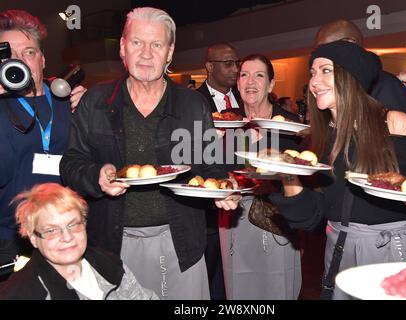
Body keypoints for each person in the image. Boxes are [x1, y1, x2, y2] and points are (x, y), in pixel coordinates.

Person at [60, 7, 239, 300]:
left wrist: (223, 189)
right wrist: (97, 176)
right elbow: (71, 164)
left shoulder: (192, 105)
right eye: (136, 43)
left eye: (156, 45)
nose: (146, 53)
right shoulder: (96, 101)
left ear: (169, 53)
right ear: (122, 48)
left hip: (179, 242)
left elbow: (211, 168)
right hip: (112, 244)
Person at [269, 41, 406, 299]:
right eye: (312, 73)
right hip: (339, 250)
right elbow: (311, 216)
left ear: (350, 76)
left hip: (392, 250)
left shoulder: (393, 122)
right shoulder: (319, 137)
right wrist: (287, 173)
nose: (314, 82)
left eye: (325, 71)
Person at [0, 10, 85, 280]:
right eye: (9, 53)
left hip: (64, 231)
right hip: (10, 235)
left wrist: (88, 110)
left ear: (43, 59)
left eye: (29, 52)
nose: (19, 60)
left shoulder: (66, 98)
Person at [218, 54, 302, 300]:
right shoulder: (226, 121)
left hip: (275, 217)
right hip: (233, 214)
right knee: (238, 287)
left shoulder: (288, 124)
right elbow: (210, 170)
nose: (250, 82)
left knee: (277, 286)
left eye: (259, 75)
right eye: (244, 75)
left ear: (271, 85)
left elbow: (300, 176)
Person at [0, 183, 158, 300]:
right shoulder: (22, 293)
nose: (67, 237)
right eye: (52, 230)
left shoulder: (109, 264)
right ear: (33, 238)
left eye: (73, 224)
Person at [196, 43, 242, 300]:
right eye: (227, 63)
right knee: (209, 272)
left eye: (236, 63)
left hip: (243, 196)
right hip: (211, 203)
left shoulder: (244, 99)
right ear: (209, 67)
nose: (235, 69)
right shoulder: (194, 101)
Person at [315, 19, 406, 120]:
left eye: (327, 48)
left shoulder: (386, 85)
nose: (320, 55)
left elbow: (397, 133)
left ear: (350, 43)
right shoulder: (337, 84)